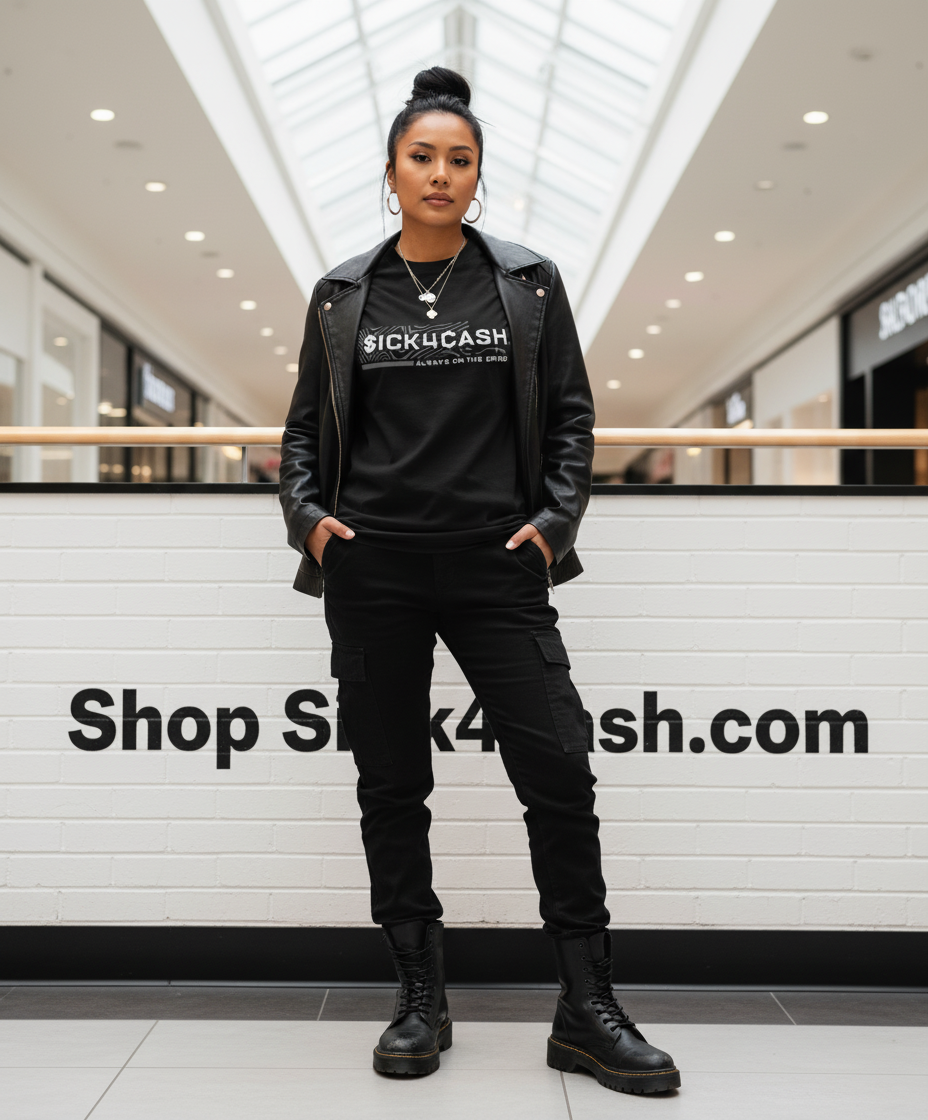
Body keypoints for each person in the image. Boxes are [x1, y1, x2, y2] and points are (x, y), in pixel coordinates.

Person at [278, 66, 680, 1097]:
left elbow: (572, 415)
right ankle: (420, 998)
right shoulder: (342, 295)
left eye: (460, 160)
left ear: (477, 176)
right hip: (374, 570)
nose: (440, 174)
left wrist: (553, 523)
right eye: (422, 157)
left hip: (497, 566)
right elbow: (303, 434)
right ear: (390, 172)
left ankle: (586, 1008)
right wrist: (311, 523)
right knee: (391, 786)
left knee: (559, 771)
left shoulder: (527, 283)